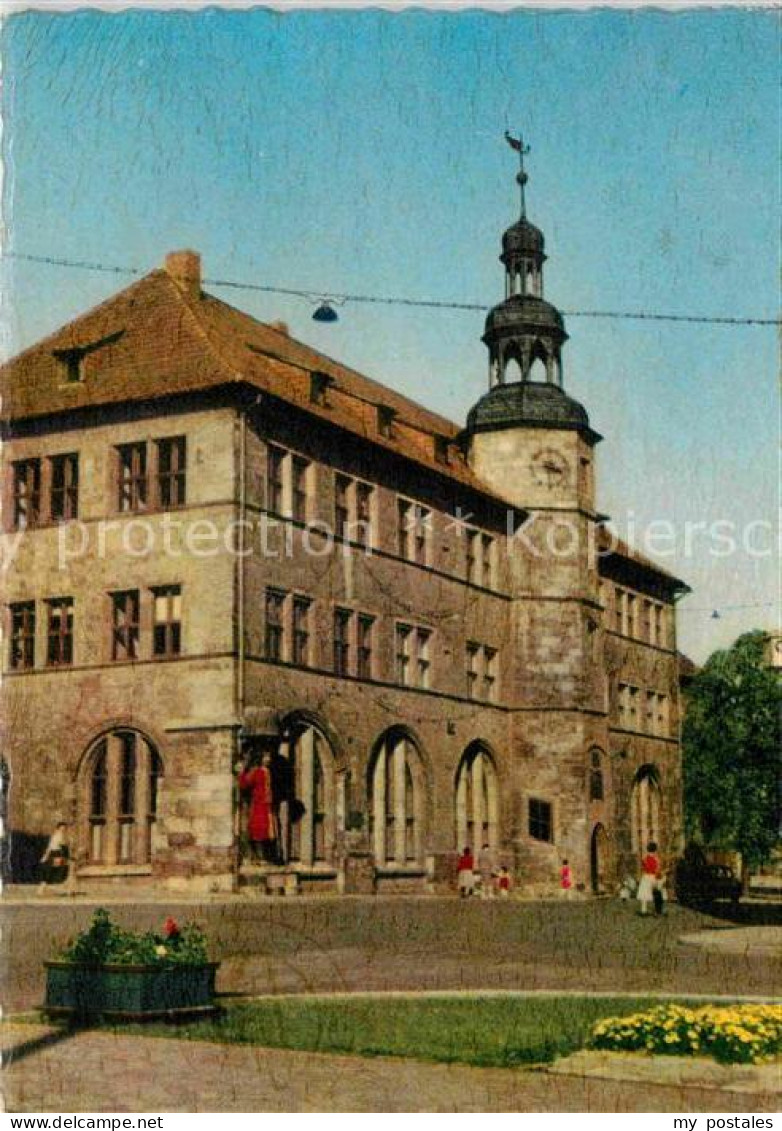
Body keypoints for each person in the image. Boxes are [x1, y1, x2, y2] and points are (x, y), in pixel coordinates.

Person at [239, 747, 280, 864]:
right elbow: (244, 784)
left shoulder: (269, 771)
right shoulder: (256, 771)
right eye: (266, 757)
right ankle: (259, 857)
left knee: (269, 832)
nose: (268, 759)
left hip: (268, 806)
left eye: (269, 757)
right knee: (259, 830)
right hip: (259, 805)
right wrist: (242, 772)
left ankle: (267, 857)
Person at [38, 821, 69, 895]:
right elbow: (52, 847)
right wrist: (45, 856)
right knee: (52, 871)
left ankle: (45, 889)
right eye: (62, 829)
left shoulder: (57, 836)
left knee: (56, 871)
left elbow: (50, 847)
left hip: (57, 854)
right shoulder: (58, 836)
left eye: (64, 829)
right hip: (56, 854)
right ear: (58, 829)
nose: (63, 831)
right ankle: (42, 889)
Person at [637, 840, 662, 915]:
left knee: (644, 893)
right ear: (655, 850)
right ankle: (657, 910)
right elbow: (657, 869)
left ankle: (643, 910)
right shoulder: (656, 859)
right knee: (656, 893)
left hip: (646, 876)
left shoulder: (645, 859)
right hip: (653, 876)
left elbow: (643, 868)